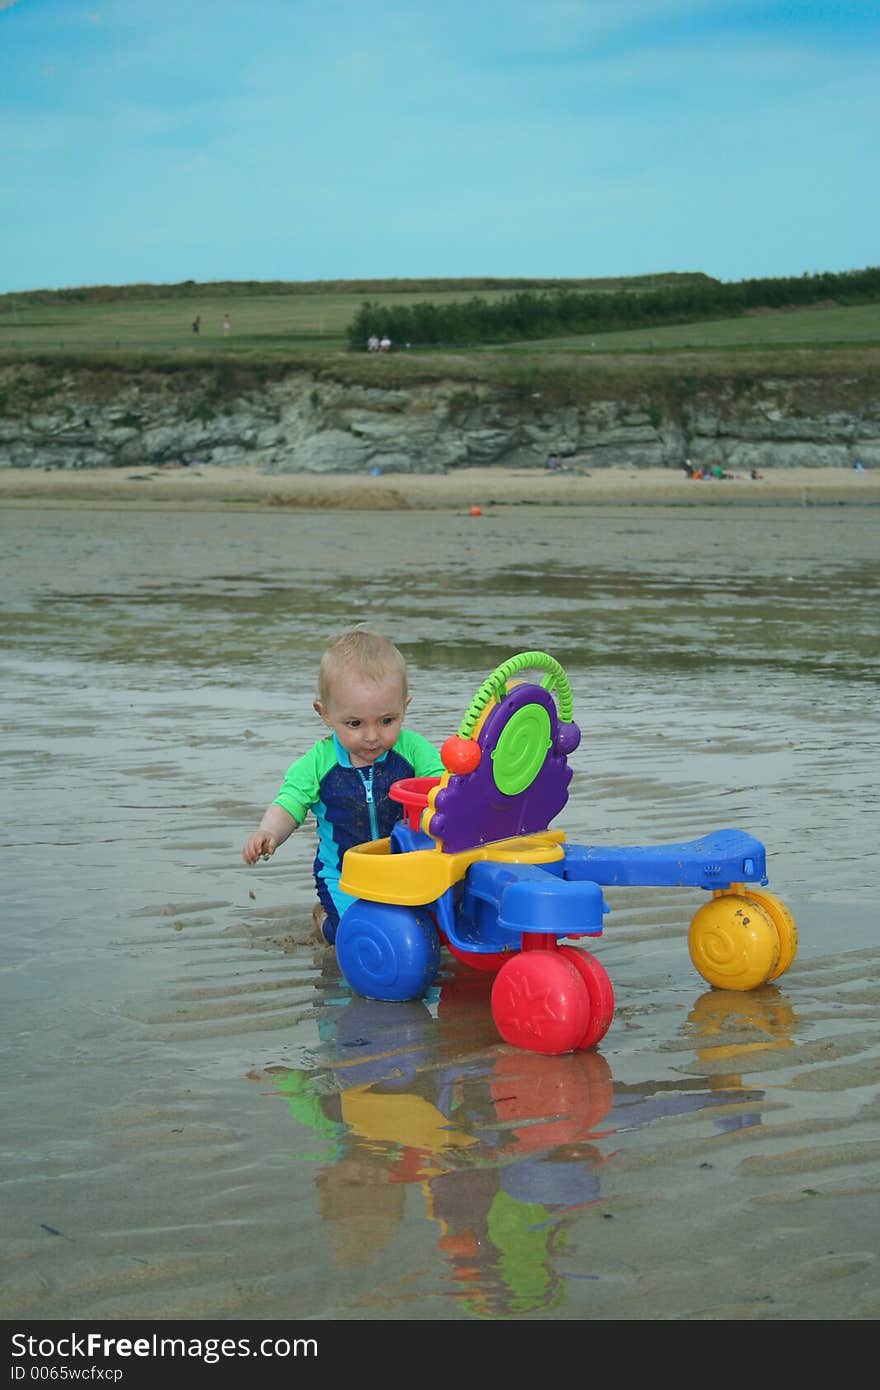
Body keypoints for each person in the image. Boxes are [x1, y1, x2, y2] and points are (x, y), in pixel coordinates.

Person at [242, 626, 445, 946]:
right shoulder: (319, 763)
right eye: (355, 724)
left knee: (426, 930)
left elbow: (442, 789)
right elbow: (289, 803)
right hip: (343, 875)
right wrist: (268, 832)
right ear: (325, 714)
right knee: (356, 935)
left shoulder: (415, 751)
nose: (371, 736)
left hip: (407, 867)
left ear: (405, 707)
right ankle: (324, 921)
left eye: (387, 721)